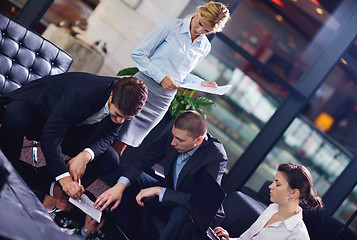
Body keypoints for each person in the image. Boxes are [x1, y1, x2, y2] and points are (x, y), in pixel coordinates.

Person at [0, 72, 148, 200]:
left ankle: (53, 186)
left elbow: (109, 136)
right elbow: (51, 136)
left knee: (111, 160)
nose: (120, 121)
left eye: (126, 119)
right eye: (117, 115)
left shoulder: (127, 102)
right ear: (111, 95)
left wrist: (85, 155)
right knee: (15, 118)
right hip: (39, 113)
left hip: (73, 128)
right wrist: (65, 178)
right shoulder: (84, 92)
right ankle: (16, 173)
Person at [112, 1, 231, 156]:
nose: (200, 30)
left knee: (122, 146)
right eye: (200, 23)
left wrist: (201, 83)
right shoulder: (171, 26)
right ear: (199, 13)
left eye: (207, 30)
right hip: (140, 88)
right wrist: (161, 78)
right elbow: (138, 55)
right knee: (109, 130)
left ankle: (88, 178)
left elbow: (180, 74)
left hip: (161, 101)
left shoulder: (205, 47)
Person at [94, 110, 228, 240]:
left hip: (194, 210)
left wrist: (159, 191)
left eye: (179, 140)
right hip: (170, 195)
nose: (172, 142)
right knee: (123, 175)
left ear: (198, 140)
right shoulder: (175, 135)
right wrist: (120, 186)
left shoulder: (215, 156)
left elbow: (200, 202)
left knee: (181, 213)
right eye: (174, 135)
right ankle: (109, 232)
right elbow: (143, 160)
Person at [213, 163, 324, 240]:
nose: (271, 186)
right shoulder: (272, 209)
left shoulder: (298, 236)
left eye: (278, 184)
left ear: (294, 193)